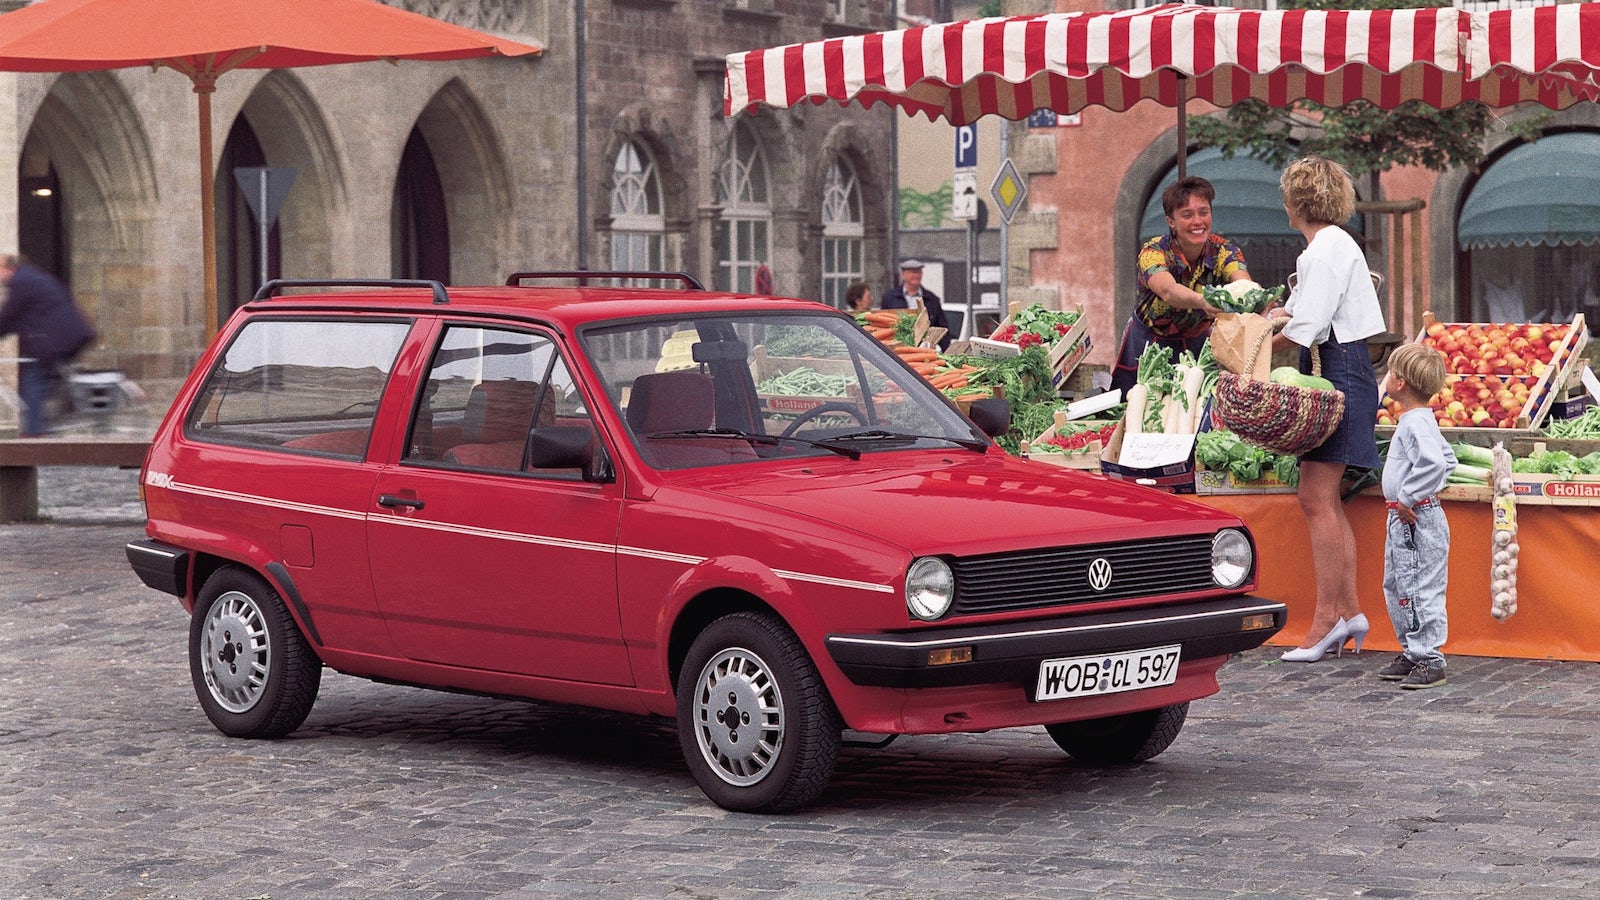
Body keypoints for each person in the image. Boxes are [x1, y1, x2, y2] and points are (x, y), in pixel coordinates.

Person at [1269, 157, 1386, 663]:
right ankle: (1349, 611)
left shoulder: (1320, 253)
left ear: (1294, 203)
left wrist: (1252, 342)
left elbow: (1306, 328)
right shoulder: (1339, 243)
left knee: (1314, 498)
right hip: (1350, 367)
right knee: (1328, 500)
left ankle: (1325, 622)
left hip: (1334, 371)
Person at [1110, 176, 1254, 394]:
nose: (1197, 222)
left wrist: (1252, 297)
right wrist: (1202, 301)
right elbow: (1168, 291)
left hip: (1197, 344)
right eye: (1187, 215)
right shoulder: (1153, 252)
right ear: (1171, 221)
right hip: (1148, 343)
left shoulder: (1225, 252)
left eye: (1203, 212)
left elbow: (1242, 281)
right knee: (1138, 405)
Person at [1375, 342, 1455, 689]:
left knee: (1419, 587)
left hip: (1414, 518)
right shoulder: (1418, 420)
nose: (1387, 378)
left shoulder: (1414, 424)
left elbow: (1435, 462)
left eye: (1391, 372)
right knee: (1398, 584)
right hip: (1406, 517)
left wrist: (1408, 495)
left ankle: (1430, 657)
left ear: (1402, 383)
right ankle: (1413, 649)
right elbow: (1448, 459)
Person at [0, 254, 96, 437]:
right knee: (48, 379)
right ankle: (51, 417)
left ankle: (33, 434)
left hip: (57, 339)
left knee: (34, 380)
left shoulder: (22, 281)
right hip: (69, 335)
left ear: (8, 268)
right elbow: (15, 320)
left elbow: (8, 314)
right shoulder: (32, 277)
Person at [881, 259, 951, 349]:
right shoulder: (890, 298)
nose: (917, 275)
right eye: (913, 272)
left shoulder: (932, 299)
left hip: (924, 350)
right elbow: (884, 326)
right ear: (903, 275)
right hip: (897, 349)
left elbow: (943, 328)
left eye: (919, 272)